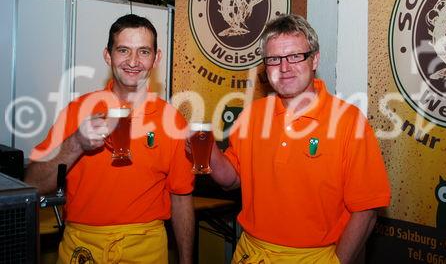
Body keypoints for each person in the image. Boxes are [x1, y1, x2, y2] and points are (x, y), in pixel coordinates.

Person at [209, 14, 391, 263]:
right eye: (274, 59)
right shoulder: (253, 114)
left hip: (315, 257)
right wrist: (208, 150)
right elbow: (231, 180)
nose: (284, 68)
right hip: (251, 253)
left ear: (314, 58)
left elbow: (367, 210)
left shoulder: (349, 121)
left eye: (295, 56)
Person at [25, 14, 194, 264]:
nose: (133, 61)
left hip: (146, 248)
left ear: (156, 58)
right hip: (83, 248)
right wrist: (75, 144)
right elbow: (33, 184)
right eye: (123, 50)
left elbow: (181, 200)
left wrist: (186, 261)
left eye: (144, 52)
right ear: (108, 55)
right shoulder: (77, 111)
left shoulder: (173, 120)